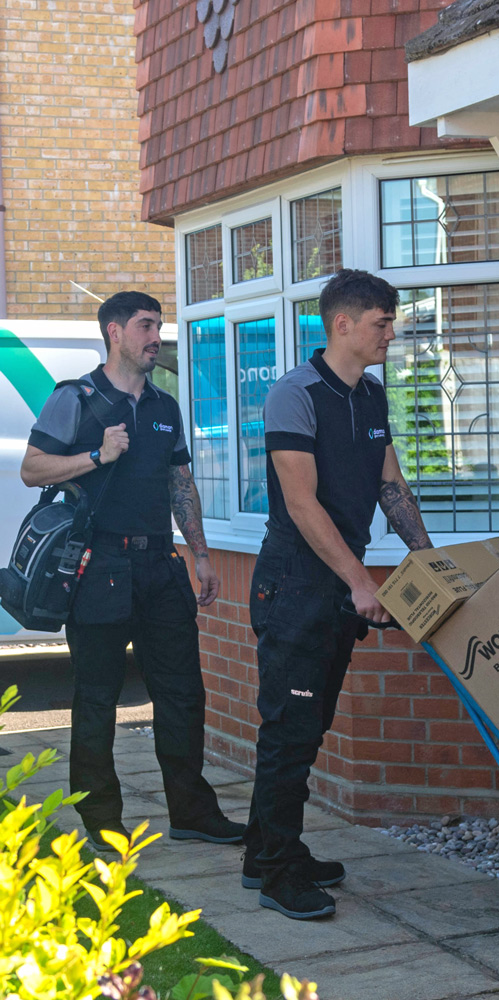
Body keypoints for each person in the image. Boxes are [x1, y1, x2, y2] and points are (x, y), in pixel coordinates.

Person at [20, 290, 245, 852]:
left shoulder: (165, 407)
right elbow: (31, 468)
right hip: (100, 567)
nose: (156, 336)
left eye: (159, 325)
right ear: (114, 332)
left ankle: (192, 812)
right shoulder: (76, 398)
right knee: (97, 697)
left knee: (182, 693)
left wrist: (199, 553)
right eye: (146, 326)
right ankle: (101, 820)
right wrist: (97, 456)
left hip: (160, 566)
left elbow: (179, 483)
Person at [243, 268, 433, 920]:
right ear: (343, 324)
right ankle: (276, 875)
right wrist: (359, 581)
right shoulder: (293, 395)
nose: (390, 332)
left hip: (334, 585)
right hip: (295, 583)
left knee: (309, 727)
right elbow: (300, 504)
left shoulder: (371, 395)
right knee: (288, 732)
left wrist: (428, 561)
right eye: (381, 322)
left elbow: (391, 488)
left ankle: (267, 853)